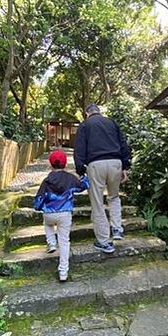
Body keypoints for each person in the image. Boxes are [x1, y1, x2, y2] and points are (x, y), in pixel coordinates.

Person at [74, 103, 131, 254]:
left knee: (98, 203)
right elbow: (123, 144)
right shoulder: (111, 122)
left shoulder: (85, 125)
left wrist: (80, 170)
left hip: (95, 165)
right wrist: (125, 166)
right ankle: (117, 229)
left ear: (87, 113)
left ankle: (104, 242)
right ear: (99, 112)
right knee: (114, 197)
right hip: (115, 163)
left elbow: (79, 149)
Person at [34, 150, 90, 282]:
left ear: (51, 164)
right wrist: (85, 178)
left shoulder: (47, 180)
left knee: (47, 224)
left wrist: (39, 208)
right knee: (64, 242)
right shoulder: (70, 178)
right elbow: (83, 186)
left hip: (49, 213)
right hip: (65, 214)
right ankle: (63, 272)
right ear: (65, 164)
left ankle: (51, 243)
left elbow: (38, 201)